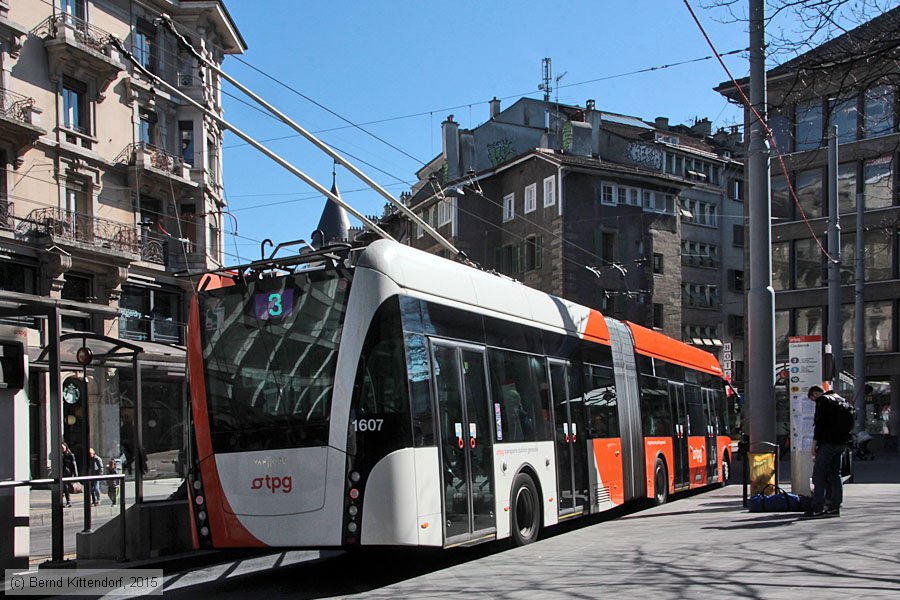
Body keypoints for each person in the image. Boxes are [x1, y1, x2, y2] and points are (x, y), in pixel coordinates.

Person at [803, 385, 852, 518]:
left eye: (813, 399)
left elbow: (819, 426)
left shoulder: (823, 400)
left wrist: (814, 447)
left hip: (827, 443)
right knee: (835, 474)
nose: (814, 402)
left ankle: (817, 507)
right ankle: (834, 507)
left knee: (818, 475)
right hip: (841, 443)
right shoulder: (841, 400)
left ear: (815, 394)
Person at [61, 443, 77, 508]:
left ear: (66, 447)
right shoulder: (60, 455)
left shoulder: (70, 455)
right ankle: (62, 501)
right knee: (62, 488)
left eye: (63, 448)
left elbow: (73, 465)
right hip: (61, 473)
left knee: (65, 487)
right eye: (61, 448)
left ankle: (68, 501)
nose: (62, 449)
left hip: (68, 473)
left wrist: (75, 474)